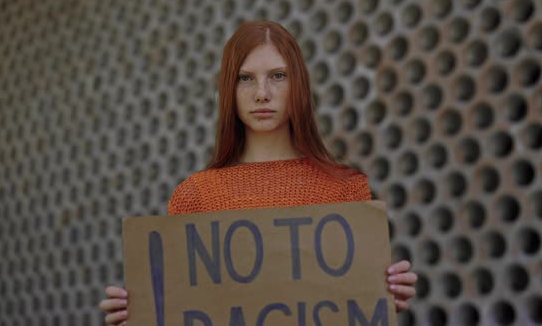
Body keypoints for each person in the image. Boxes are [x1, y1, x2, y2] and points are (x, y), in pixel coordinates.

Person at [99, 20, 417, 325]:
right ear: (229, 89)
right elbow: (187, 308)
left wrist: (387, 292)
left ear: (299, 85)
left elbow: (354, 305)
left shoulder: (346, 190)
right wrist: (143, 313)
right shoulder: (195, 196)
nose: (261, 93)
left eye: (278, 76)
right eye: (245, 78)